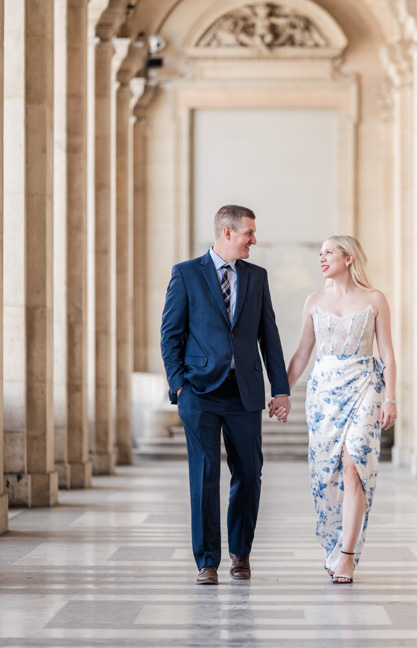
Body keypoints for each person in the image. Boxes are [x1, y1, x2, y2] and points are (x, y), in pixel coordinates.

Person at [160, 205, 291, 586]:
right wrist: (179, 386)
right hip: (199, 392)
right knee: (204, 477)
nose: (254, 239)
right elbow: (171, 335)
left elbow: (270, 336)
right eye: (249, 232)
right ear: (228, 233)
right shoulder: (185, 274)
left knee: (249, 474)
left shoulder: (257, 277)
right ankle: (207, 562)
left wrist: (279, 388)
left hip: (245, 393)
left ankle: (241, 554)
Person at [285, 235, 396, 583]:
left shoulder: (375, 298)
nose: (321, 258)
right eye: (319, 253)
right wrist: (280, 393)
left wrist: (391, 398)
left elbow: (388, 354)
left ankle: (347, 556)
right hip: (324, 393)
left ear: (348, 258)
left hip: (365, 386)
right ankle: (333, 545)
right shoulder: (314, 300)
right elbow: (302, 354)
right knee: (326, 474)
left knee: (354, 466)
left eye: (328, 252)